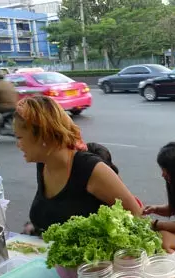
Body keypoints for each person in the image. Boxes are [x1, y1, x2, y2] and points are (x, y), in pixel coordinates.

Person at [14, 96, 141, 237]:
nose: (17, 144)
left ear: (43, 136)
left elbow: (136, 214)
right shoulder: (44, 164)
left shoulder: (90, 169)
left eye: (20, 138)